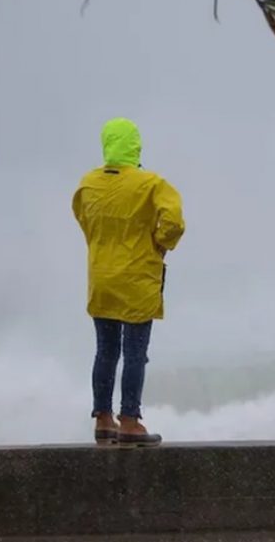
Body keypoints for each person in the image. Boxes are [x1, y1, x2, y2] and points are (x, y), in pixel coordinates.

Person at [72, 118, 185, 447]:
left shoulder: (88, 183)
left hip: (101, 276)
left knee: (105, 351)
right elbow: (174, 222)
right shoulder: (151, 184)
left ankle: (103, 420)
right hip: (136, 277)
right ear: (136, 146)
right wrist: (161, 243)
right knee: (135, 352)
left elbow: (82, 216)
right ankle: (131, 421)